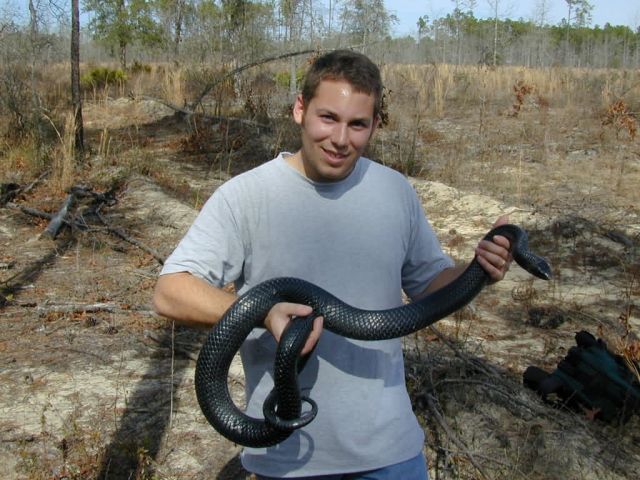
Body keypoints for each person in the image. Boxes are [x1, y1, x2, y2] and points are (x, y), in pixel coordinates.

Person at [153, 49, 512, 480]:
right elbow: (171, 290)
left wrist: (477, 271)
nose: (341, 139)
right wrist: (263, 314)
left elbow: (431, 285)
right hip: (286, 457)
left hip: (391, 452)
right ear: (300, 109)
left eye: (357, 124)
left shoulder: (394, 192)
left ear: (375, 125)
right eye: (328, 117)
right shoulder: (245, 195)